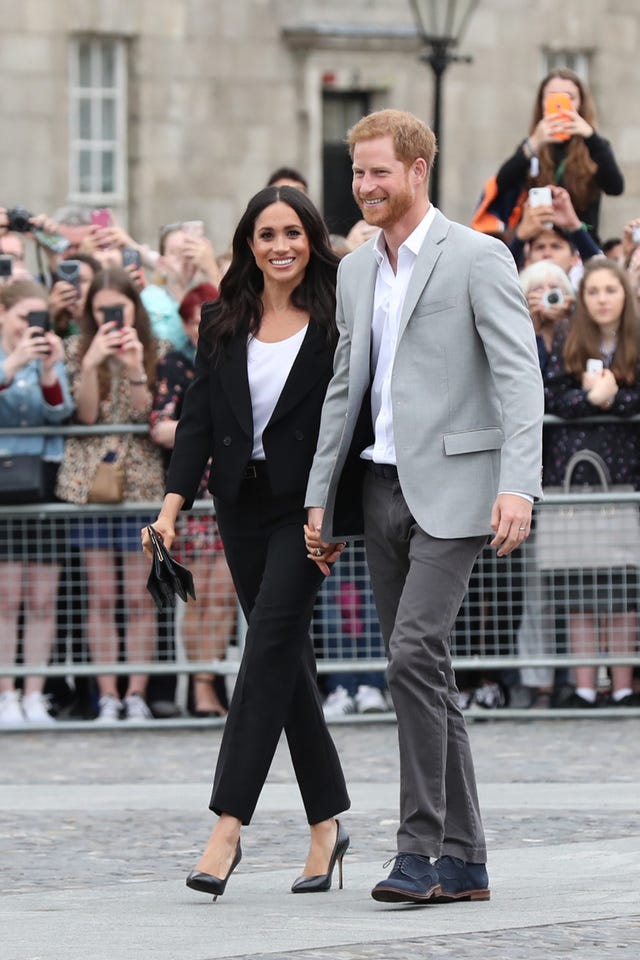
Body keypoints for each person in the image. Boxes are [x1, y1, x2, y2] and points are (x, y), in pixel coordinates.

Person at [304, 109, 544, 904]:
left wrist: (519, 483)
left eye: (378, 172)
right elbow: (346, 388)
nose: (364, 186)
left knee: (410, 656)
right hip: (375, 490)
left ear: (416, 171)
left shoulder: (477, 255)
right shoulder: (353, 268)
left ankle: (418, 850)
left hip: (458, 491)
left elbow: (518, 377)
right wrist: (320, 500)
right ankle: (468, 862)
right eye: (356, 172)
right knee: (426, 675)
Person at [142, 185, 350, 900]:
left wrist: (335, 513)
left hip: (306, 512)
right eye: (266, 234)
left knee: (262, 653)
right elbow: (197, 421)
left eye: (293, 232)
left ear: (311, 240)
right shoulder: (222, 319)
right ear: (249, 245)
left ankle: (227, 826)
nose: (281, 245)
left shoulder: (334, 319)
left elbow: (349, 423)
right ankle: (327, 824)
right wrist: (170, 509)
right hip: (239, 506)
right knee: (283, 661)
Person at [56, 267, 167, 722]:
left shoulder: (155, 349)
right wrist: (90, 364)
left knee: (140, 596)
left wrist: (135, 369)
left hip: (142, 484)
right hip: (88, 485)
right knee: (101, 595)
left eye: (118, 309)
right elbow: (83, 417)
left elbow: (150, 417)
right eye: (100, 310)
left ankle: (137, 693)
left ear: (134, 308)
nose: (109, 318)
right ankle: (107, 694)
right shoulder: (74, 349)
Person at [543, 258, 640, 708]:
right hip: (574, 480)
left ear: (625, 295)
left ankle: (621, 687)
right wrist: (587, 398)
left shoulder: (636, 341)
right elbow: (548, 394)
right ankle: (584, 688)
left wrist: (614, 396)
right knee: (579, 588)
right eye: (594, 291)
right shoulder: (567, 339)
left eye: (611, 290)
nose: (602, 298)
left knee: (622, 591)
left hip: (624, 479)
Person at [150, 282, 237, 717]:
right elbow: (160, 427)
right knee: (200, 596)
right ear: (184, 324)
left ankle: (208, 681)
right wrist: (206, 428)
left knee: (224, 596)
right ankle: (203, 689)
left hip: (231, 490)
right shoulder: (175, 364)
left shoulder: (234, 355)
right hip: (192, 495)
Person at [0, 279, 74, 723]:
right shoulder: (9, 358)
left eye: (38, 318)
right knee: (7, 598)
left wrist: (48, 370)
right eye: (23, 317)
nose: (32, 326)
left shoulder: (50, 356)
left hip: (45, 475)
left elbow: (60, 411)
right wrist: (12, 364)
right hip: (5, 475)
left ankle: (34, 693)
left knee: (43, 598)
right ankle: (5, 692)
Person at [496, 68, 624, 244]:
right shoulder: (533, 146)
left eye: (569, 97)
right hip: (538, 243)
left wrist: (590, 137)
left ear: (581, 103)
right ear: (542, 103)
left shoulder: (595, 146)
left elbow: (615, 187)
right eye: (552, 96)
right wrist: (534, 143)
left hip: (581, 241)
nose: (560, 104)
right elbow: (502, 182)